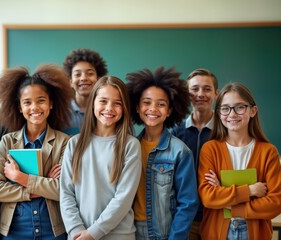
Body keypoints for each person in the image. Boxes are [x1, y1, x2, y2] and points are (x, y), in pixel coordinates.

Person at [0, 64, 73, 239]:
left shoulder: (64, 141)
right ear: (20, 107)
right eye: (27, 102)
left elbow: (64, 190)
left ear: (50, 104)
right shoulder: (8, 141)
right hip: (14, 231)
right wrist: (43, 186)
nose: (34, 107)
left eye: (41, 100)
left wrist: (19, 178)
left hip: (54, 231)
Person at [60, 76, 142, 240]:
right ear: (93, 104)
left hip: (118, 235)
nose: (109, 108)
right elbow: (66, 193)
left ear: (124, 107)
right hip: (78, 235)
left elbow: (124, 197)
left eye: (117, 103)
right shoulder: (74, 144)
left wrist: (93, 233)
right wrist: (76, 230)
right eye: (103, 101)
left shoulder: (130, 145)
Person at [198, 82, 281, 239]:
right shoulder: (210, 149)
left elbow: (275, 203)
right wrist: (250, 191)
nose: (232, 114)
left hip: (255, 233)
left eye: (240, 107)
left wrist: (225, 198)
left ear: (253, 111)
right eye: (225, 108)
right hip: (217, 232)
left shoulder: (268, 152)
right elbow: (208, 197)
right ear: (218, 113)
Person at [126, 66, 199, 239]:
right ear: (137, 107)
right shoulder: (128, 147)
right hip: (128, 230)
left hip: (164, 233)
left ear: (170, 111)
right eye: (146, 102)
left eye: (161, 104)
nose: (153, 108)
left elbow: (188, 203)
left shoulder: (180, 152)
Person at [170, 68, 219, 239]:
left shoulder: (225, 130)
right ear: (187, 93)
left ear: (216, 94)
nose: (200, 94)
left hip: (216, 217)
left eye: (207, 89)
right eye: (195, 89)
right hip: (184, 218)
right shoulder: (175, 132)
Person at [62, 48, 108, 135]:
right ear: (70, 81)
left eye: (90, 73)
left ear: (98, 79)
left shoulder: (108, 111)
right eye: (77, 74)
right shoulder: (61, 113)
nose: (83, 78)